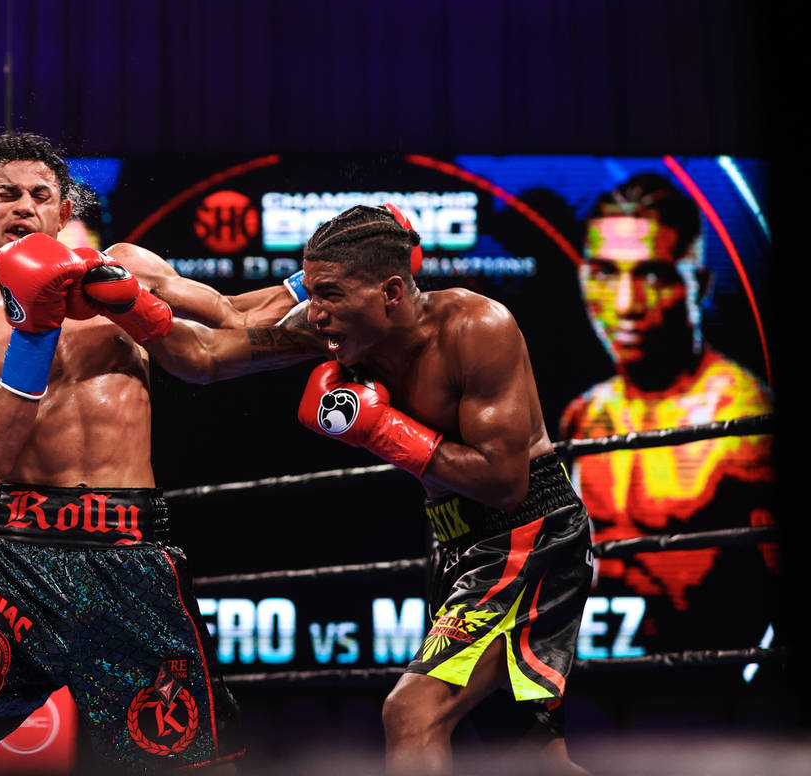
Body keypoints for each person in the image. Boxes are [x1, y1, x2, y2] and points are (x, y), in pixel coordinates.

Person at [0, 132, 315, 775]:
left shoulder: (123, 268)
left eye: (40, 194)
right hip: (18, 554)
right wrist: (33, 333)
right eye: (4, 194)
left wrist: (327, 284)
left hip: (129, 550)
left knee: (188, 762)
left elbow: (233, 318)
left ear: (62, 212)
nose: (24, 206)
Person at [283, 205, 593, 775]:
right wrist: (138, 299)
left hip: (528, 537)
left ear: (392, 291)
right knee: (530, 761)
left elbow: (505, 483)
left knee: (412, 714)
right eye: (310, 292)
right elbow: (215, 344)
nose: (312, 313)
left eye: (328, 295)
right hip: (456, 543)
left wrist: (380, 430)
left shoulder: (477, 328)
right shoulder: (349, 334)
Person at [559, 174, 776, 714]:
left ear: (697, 284)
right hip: (597, 689)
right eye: (605, 273)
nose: (626, 305)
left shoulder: (743, 420)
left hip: (713, 701)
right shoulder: (586, 415)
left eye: (653, 275)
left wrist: (758, 703)